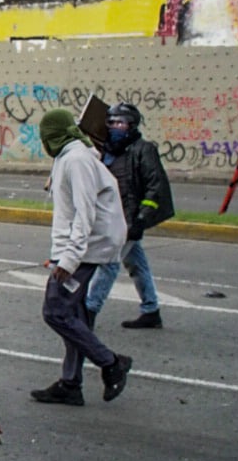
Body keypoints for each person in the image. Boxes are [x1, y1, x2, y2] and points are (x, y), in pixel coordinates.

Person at [29, 109, 132, 407]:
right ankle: (71, 383)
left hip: (87, 249)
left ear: (54, 135)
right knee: (74, 314)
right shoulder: (70, 156)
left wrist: (68, 259)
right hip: (84, 247)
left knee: (56, 311)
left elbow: (85, 213)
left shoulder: (76, 160)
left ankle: (111, 362)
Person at [85, 103, 173, 329]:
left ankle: (89, 311)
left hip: (130, 220)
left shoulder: (143, 149)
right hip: (112, 218)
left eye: (120, 123)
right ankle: (151, 310)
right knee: (136, 264)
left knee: (108, 263)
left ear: (132, 125)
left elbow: (155, 186)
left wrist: (142, 218)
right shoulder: (107, 151)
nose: (115, 127)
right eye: (111, 122)